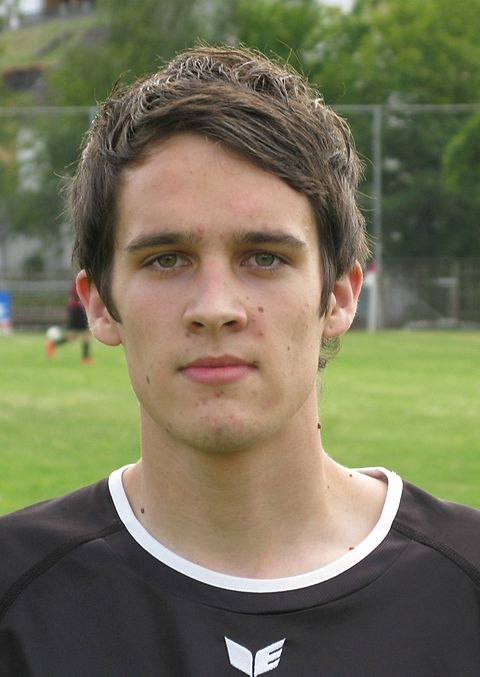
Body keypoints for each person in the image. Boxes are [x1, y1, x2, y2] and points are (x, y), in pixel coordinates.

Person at [0, 46, 479, 676]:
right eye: (166, 259)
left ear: (339, 296)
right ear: (100, 305)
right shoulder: (16, 595)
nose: (216, 308)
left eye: (265, 257)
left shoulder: (464, 584)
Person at [45, 279, 92, 363]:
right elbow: (78, 294)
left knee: (73, 336)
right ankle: (85, 358)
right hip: (77, 310)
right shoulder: (82, 277)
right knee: (84, 334)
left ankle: (52, 344)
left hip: (77, 309)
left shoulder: (84, 277)